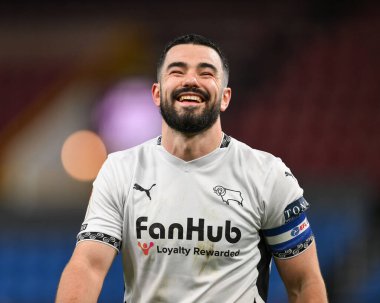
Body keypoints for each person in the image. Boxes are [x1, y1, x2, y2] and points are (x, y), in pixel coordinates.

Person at [56, 34, 328, 303]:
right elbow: (88, 266)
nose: (190, 80)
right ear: (157, 93)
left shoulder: (268, 175)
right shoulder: (120, 170)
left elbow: (304, 283)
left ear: (225, 97)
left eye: (206, 72)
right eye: (177, 71)